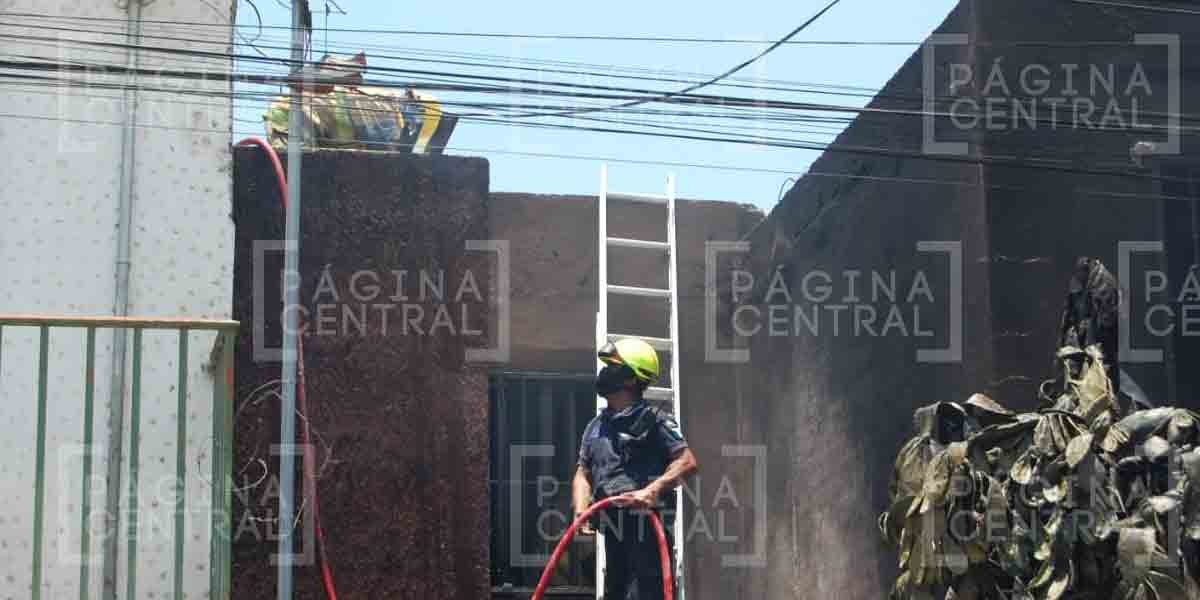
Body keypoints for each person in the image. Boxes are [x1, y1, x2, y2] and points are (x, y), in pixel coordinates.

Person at [572, 338, 699, 600]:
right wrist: (581, 509)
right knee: (617, 593)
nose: (604, 373)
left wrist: (652, 490)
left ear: (631, 379)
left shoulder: (655, 422)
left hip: (647, 528)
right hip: (612, 526)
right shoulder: (596, 426)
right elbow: (583, 472)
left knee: (646, 593)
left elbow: (686, 461)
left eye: (612, 368)